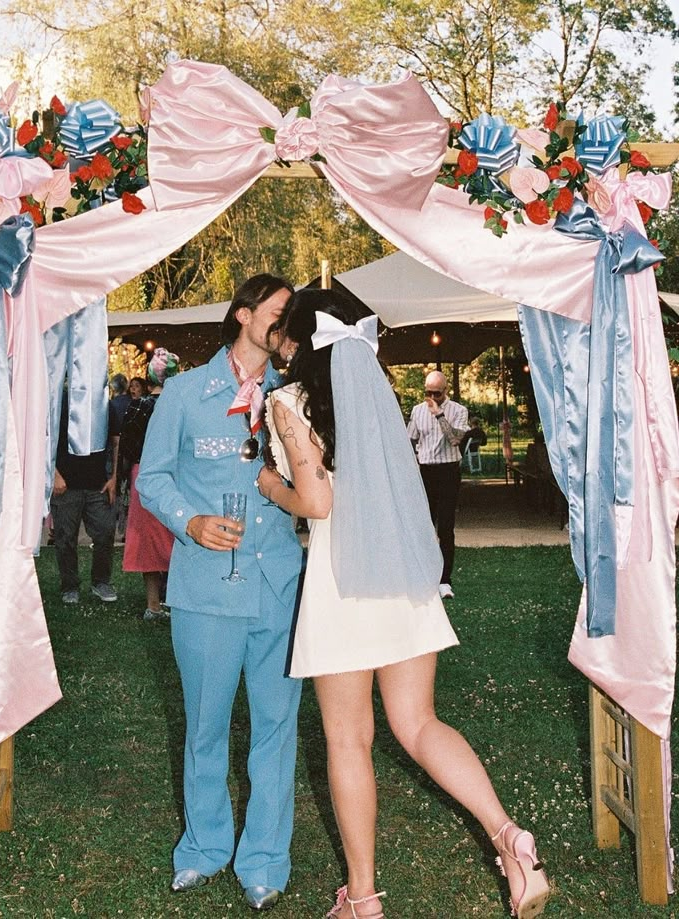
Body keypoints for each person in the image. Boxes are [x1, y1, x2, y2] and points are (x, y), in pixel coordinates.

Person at [258, 288, 549, 919]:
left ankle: (362, 899)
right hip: (399, 578)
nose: (277, 341)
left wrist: (272, 485)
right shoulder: (377, 399)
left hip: (342, 583)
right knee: (418, 724)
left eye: (285, 331)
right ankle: (509, 839)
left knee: (348, 740)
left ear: (304, 340)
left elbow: (317, 503)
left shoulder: (287, 403)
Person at [136, 274, 303, 912]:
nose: (286, 324)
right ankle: (205, 847)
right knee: (206, 726)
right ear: (243, 315)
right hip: (206, 589)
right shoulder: (184, 393)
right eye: (279, 313)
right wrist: (191, 522)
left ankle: (264, 857)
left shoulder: (296, 395)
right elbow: (152, 478)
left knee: (277, 726)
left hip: (278, 584)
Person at [120, 348, 180, 621]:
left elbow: (128, 446)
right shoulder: (178, 404)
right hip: (174, 474)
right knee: (176, 534)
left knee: (148, 540)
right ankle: (178, 600)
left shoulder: (137, 406)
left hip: (141, 474)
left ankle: (153, 604)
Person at [51, 392, 120, 604]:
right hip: (66, 485)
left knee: (105, 532)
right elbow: (43, 437)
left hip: (97, 484)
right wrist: (53, 474)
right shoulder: (59, 401)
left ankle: (100, 582)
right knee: (65, 537)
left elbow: (116, 441)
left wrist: (114, 477)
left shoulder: (103, 402)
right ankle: (70, 586)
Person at [406, 369, 468, 599]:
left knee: (445, 526)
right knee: (424, 525)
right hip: (426, 471)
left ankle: (444, 580)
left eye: (437, 393)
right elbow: (409, 439)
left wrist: (440, 414)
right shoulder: (417, 411)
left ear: (446, 391)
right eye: (427, 393)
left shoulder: (458, 410)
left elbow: (455, 439)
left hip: (448, 470)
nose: (431, 397)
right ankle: (424, 574)